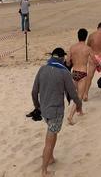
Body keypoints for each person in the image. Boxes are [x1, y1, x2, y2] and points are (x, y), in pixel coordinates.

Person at [32, 48, 83, 177]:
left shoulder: (42, 69)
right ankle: (44, 170)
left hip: (44, 110)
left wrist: (37, 106)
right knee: (49, 140)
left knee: (52, 133)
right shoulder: (64, 72)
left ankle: (50, 158)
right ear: (61, 58)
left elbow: (34, 92)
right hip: (55, 111)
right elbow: (72, 93)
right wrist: (79, 104)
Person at [66, 29, 91, 124]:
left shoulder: (72, 47)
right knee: (79, 96)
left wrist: (74, 60)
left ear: (78, 36)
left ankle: (80, 111)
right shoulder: (88, 48)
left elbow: (68, 61)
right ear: (86, 36)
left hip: (74, 72)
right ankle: (70, 116)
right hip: (83, 73)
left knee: (77, 93)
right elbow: (95, 60)